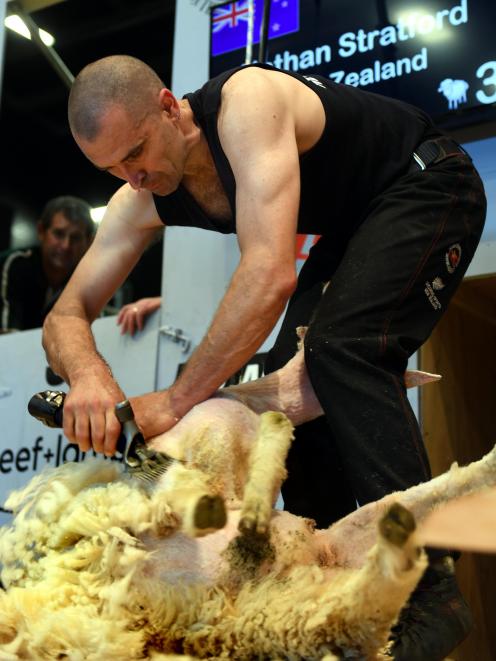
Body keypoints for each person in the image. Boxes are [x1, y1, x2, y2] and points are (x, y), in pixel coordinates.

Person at [42, 56, 486, 659]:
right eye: (112, 167)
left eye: (138, 151)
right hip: (357, 226)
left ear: (170, 108)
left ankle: (428, 587)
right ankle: (321, 592)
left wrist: (174, 401)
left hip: (428, 183)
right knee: (289, 406)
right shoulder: (137, 196)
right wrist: (91, 377)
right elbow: (66, 314)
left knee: (340, 350)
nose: (133, 177)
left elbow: (270, 274)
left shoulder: (247, 102)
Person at [0, 196, 94, 331]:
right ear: (41, 231)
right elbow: (6, 337)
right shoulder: (15, 264)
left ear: (89, 242)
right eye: (59, 234)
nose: (66, 245)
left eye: (76, 238)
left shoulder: (87, 280)